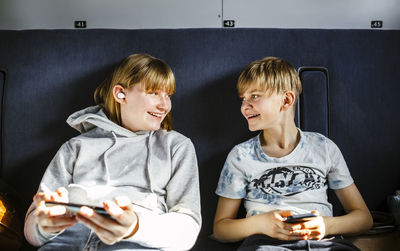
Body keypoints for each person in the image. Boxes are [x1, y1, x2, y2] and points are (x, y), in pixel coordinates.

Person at [24, 53, 201, 250]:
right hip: (69, 238)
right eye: (153, 93)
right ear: (120, 94)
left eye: (168, 95)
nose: (164, 105)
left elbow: (188, 230)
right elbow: (33, 229)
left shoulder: (176, 147)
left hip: (134, 241)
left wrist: (134, 227)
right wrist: (46, 226)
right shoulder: (75, 147)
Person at [213, 57, 372, 250]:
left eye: (254, 96)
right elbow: (221, 229)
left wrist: (326, 225)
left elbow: (363, 217)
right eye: (243, 99)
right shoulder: (241, 156)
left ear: (287, 100)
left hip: (324, 242)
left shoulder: (323, 148)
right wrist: (262, 223)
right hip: (265, 244)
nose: (244, 106)